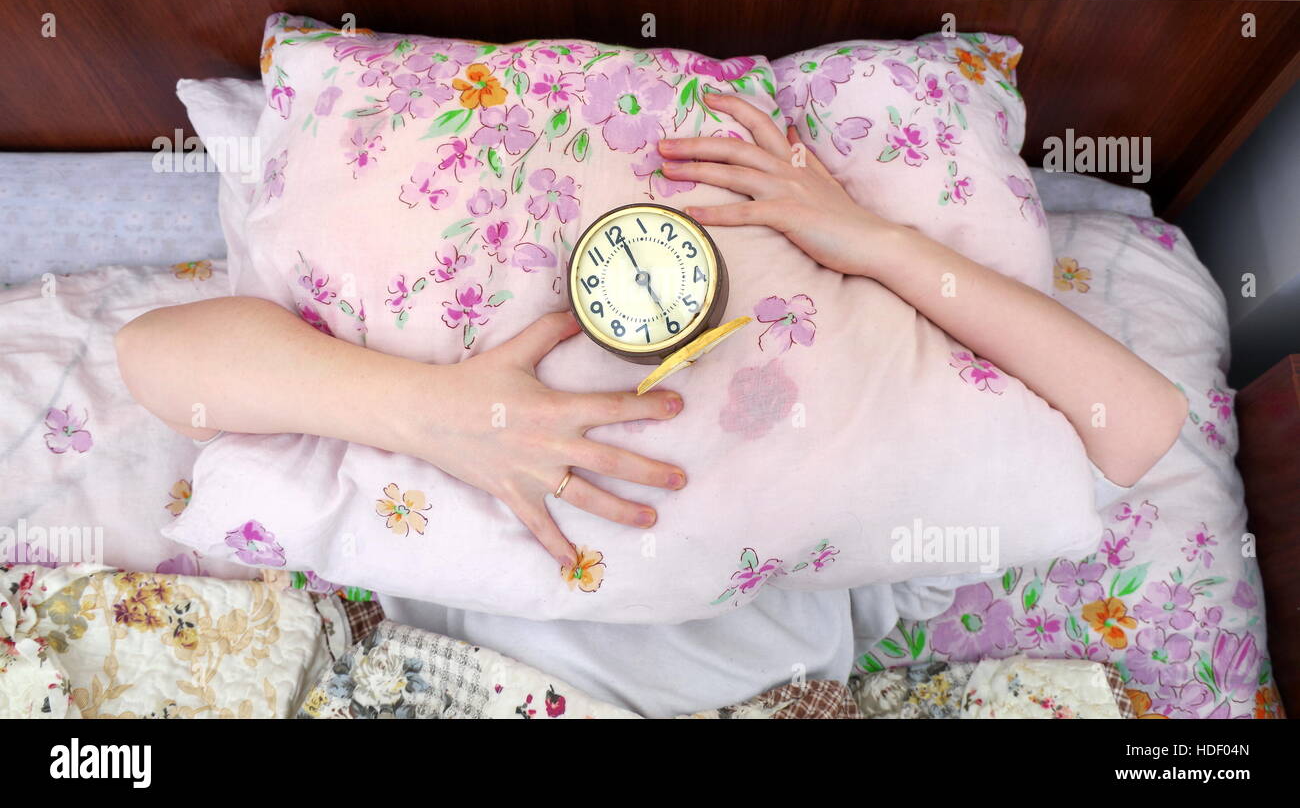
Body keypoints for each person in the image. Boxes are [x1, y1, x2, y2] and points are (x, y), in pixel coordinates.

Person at [115, 93, 1186, 716]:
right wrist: (430, 414)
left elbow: (1134, 419)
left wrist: (875, 241)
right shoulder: (448, 427)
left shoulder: (878, 479)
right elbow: (161, 360)